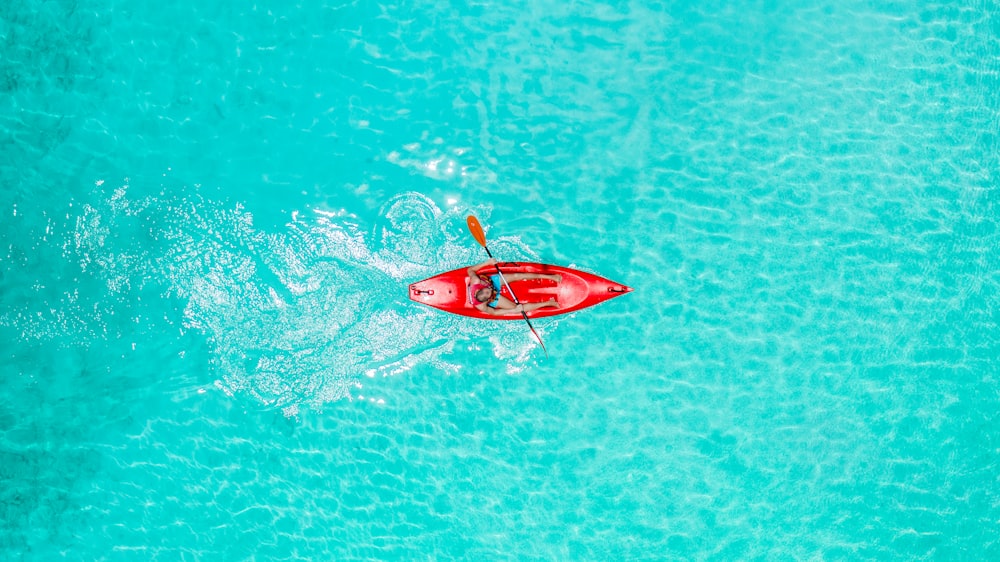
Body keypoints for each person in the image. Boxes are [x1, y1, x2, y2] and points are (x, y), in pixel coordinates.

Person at [467, 258, 561, 316]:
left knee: (517, 276)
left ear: (481, 288)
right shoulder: (481, 306)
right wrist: (514, 310)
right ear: (487, 300)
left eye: (487, 290)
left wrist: (487, 263)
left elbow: (470, 270)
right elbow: (494, 313)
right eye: (489, 293)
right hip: (495, 298)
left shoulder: (476, 281)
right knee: (518, 308)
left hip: (491, 281)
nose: (490, 290)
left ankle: (551, 277)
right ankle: (549, 303)